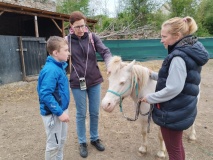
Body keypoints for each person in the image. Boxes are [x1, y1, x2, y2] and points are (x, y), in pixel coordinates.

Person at [141, 16, 209, 160]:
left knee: (174, 151)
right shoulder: (189, 51)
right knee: (177, 147)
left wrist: (150, 98)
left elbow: (174, 88)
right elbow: (179, 79)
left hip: (173, 112)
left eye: (164, 36)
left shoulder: (178, 57)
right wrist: (153, 75)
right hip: (181, 108)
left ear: (177, 36)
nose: (162, 40)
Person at [66, 11, 112, 158]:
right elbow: (58, 57)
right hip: (76, 82)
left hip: (94, 81)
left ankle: (94, 138)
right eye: (77, 27)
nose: (81, 30)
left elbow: (105, 51)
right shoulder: (66, 41)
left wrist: (109, 63)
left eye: (83, 26)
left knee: (94, 112)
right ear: (71, 26)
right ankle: (82, 142)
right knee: (81, 113)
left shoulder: (92, 37)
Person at [37, 36, 71, 160]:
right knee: (53, 145)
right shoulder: (51, 70)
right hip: (53, 113)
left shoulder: (59, 67)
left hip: (60, 110)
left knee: (61, 141)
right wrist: (60, 112)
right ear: (56, 53)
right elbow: (45, 94)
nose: (69, 53)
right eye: (66, 50)